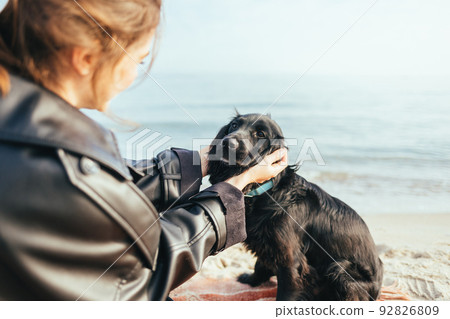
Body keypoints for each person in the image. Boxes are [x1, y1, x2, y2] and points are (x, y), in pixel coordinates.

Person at [0, 0, 287, 300]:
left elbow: (110, 192)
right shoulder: (60, 167)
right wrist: (231, 192)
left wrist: (204, 161)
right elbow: (135, 280)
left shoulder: (29, 134)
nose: (135, 74)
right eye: (138, 60)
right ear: (85, 58)